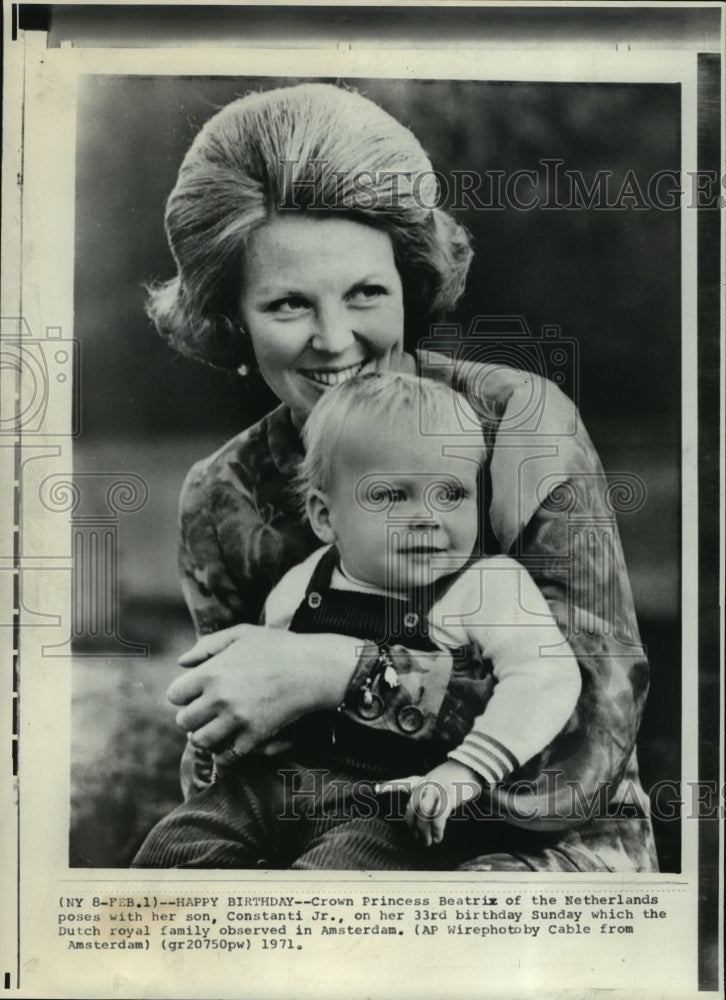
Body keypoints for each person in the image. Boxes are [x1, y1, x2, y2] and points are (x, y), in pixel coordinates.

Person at [141, 81, 658, 871]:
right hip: (314, 822)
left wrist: (341, 671)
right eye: (286, 304)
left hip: (538, 844)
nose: (335, 338)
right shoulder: (225, 494)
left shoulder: (515, 421)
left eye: (366, 294)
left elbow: (590, 734)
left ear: (409, 286)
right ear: (230, 316)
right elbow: (232, 741)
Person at [133, 373, 583, 867]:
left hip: (397, 802)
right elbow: (263, 693)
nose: (427, 517)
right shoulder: (302, 585)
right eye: (391, 496)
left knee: (336, 880)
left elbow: (545, 678)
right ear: (326, 517)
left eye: (451, 494)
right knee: (174, 844)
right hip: (283, 786)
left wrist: (461, 774)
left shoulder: (487, 586)